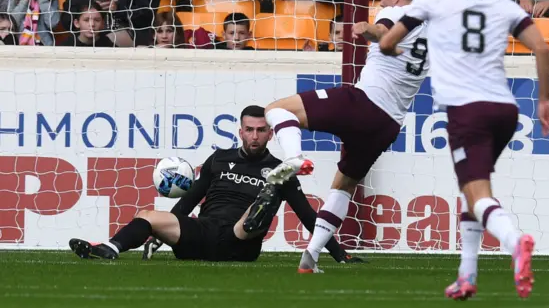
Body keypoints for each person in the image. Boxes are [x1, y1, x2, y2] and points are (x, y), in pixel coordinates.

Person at [378, 0, 549, 300]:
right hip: (504, 109)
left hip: (467, 110)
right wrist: (545, 99)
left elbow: (389, 41)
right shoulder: (499, 0)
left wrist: (393, 50)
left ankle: (513, 241)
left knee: (477, 193)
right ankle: (467, 274)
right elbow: (542, 48)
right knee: (472, 189)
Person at [261, 0, 428, 273]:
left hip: (364, 104)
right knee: (344, 184)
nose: (378, 2)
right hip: (388, 124)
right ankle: (310, 258)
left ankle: (295, 158)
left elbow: (383, 30)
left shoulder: (395, 13)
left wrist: (368, 28)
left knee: (275, 110)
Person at [69, 105, 361, 264]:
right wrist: (160, 234)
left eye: (261, 130)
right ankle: (109, 248)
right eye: (250, 130)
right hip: (203, 234)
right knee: (147, 215)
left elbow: (307, 215)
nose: (255, 136)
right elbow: (189, 201)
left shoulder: (278, 168)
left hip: (240, 241)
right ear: (240, 131)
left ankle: (264, 201)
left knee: (266, 197)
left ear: (271, 135)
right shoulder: (219, 159)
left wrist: (337, 252)